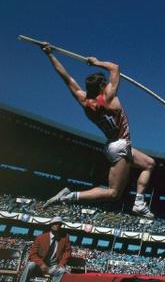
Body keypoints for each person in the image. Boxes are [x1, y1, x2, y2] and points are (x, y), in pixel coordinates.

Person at [41, 44, 156, 218]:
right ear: (103, 85)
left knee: (149, 163)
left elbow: (66, 78)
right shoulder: (109, 97)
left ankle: (139, 202)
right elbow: (115, 67)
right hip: (121, 145)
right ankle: (70, 196)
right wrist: (96, 62)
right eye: (105, 83)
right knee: (113, 193)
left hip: (114, 145)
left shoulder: (84, 102)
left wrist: (50, 55)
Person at [17, 216, 71, 282]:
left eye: (60, 224)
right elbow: (32, 254)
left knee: (61, 271)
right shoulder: (41, 237)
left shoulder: (65, 238)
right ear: (51, 225)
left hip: (53, 266)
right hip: (39, 265)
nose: (58, 225)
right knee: (29, 265)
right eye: (55, 223)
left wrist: (62, 263)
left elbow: (68, 252)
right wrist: (41, 264)